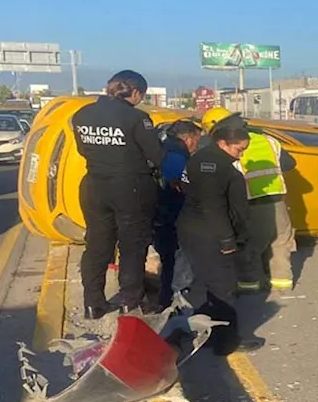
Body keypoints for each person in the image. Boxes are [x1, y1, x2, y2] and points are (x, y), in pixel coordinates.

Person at [72, 70, 164, 318]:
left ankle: (93, 303)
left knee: (96, 244)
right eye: (141, 95)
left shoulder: (81, 114)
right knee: (132, 246)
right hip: (129, 186)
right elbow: (157, 155)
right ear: (134, 92)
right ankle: (130, 302)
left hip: (94, 185)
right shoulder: (136, 118)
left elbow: (82, 150)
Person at [179, 124, 264, 354]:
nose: (242, 154)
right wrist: (227, 239)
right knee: (223, 286)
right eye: (239, 149)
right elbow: (213, 206)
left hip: (198, 230)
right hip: (209, 234)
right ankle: (225, 341)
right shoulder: (213, 166)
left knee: (201, 282)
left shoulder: (206, 159)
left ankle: (195, 330)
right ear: (223, 143)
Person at [199, 108, 297, 292]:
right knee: (280, 242)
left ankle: (249, 286)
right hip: (276, 200)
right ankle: (283, 283)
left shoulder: (227, 144)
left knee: (248, 245)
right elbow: (289, 164)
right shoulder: (268, 140)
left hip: (247, 202)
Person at [153, 119, 202, 308]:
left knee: (168, 258)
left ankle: (168, 297)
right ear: (189, 138)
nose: (196, 145)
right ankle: (175, 299)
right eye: (196, 140)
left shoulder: (163, 147)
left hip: (159, 213)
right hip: (172, 214)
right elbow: (175, 183)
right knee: (177, 257)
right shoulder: (176, 153)